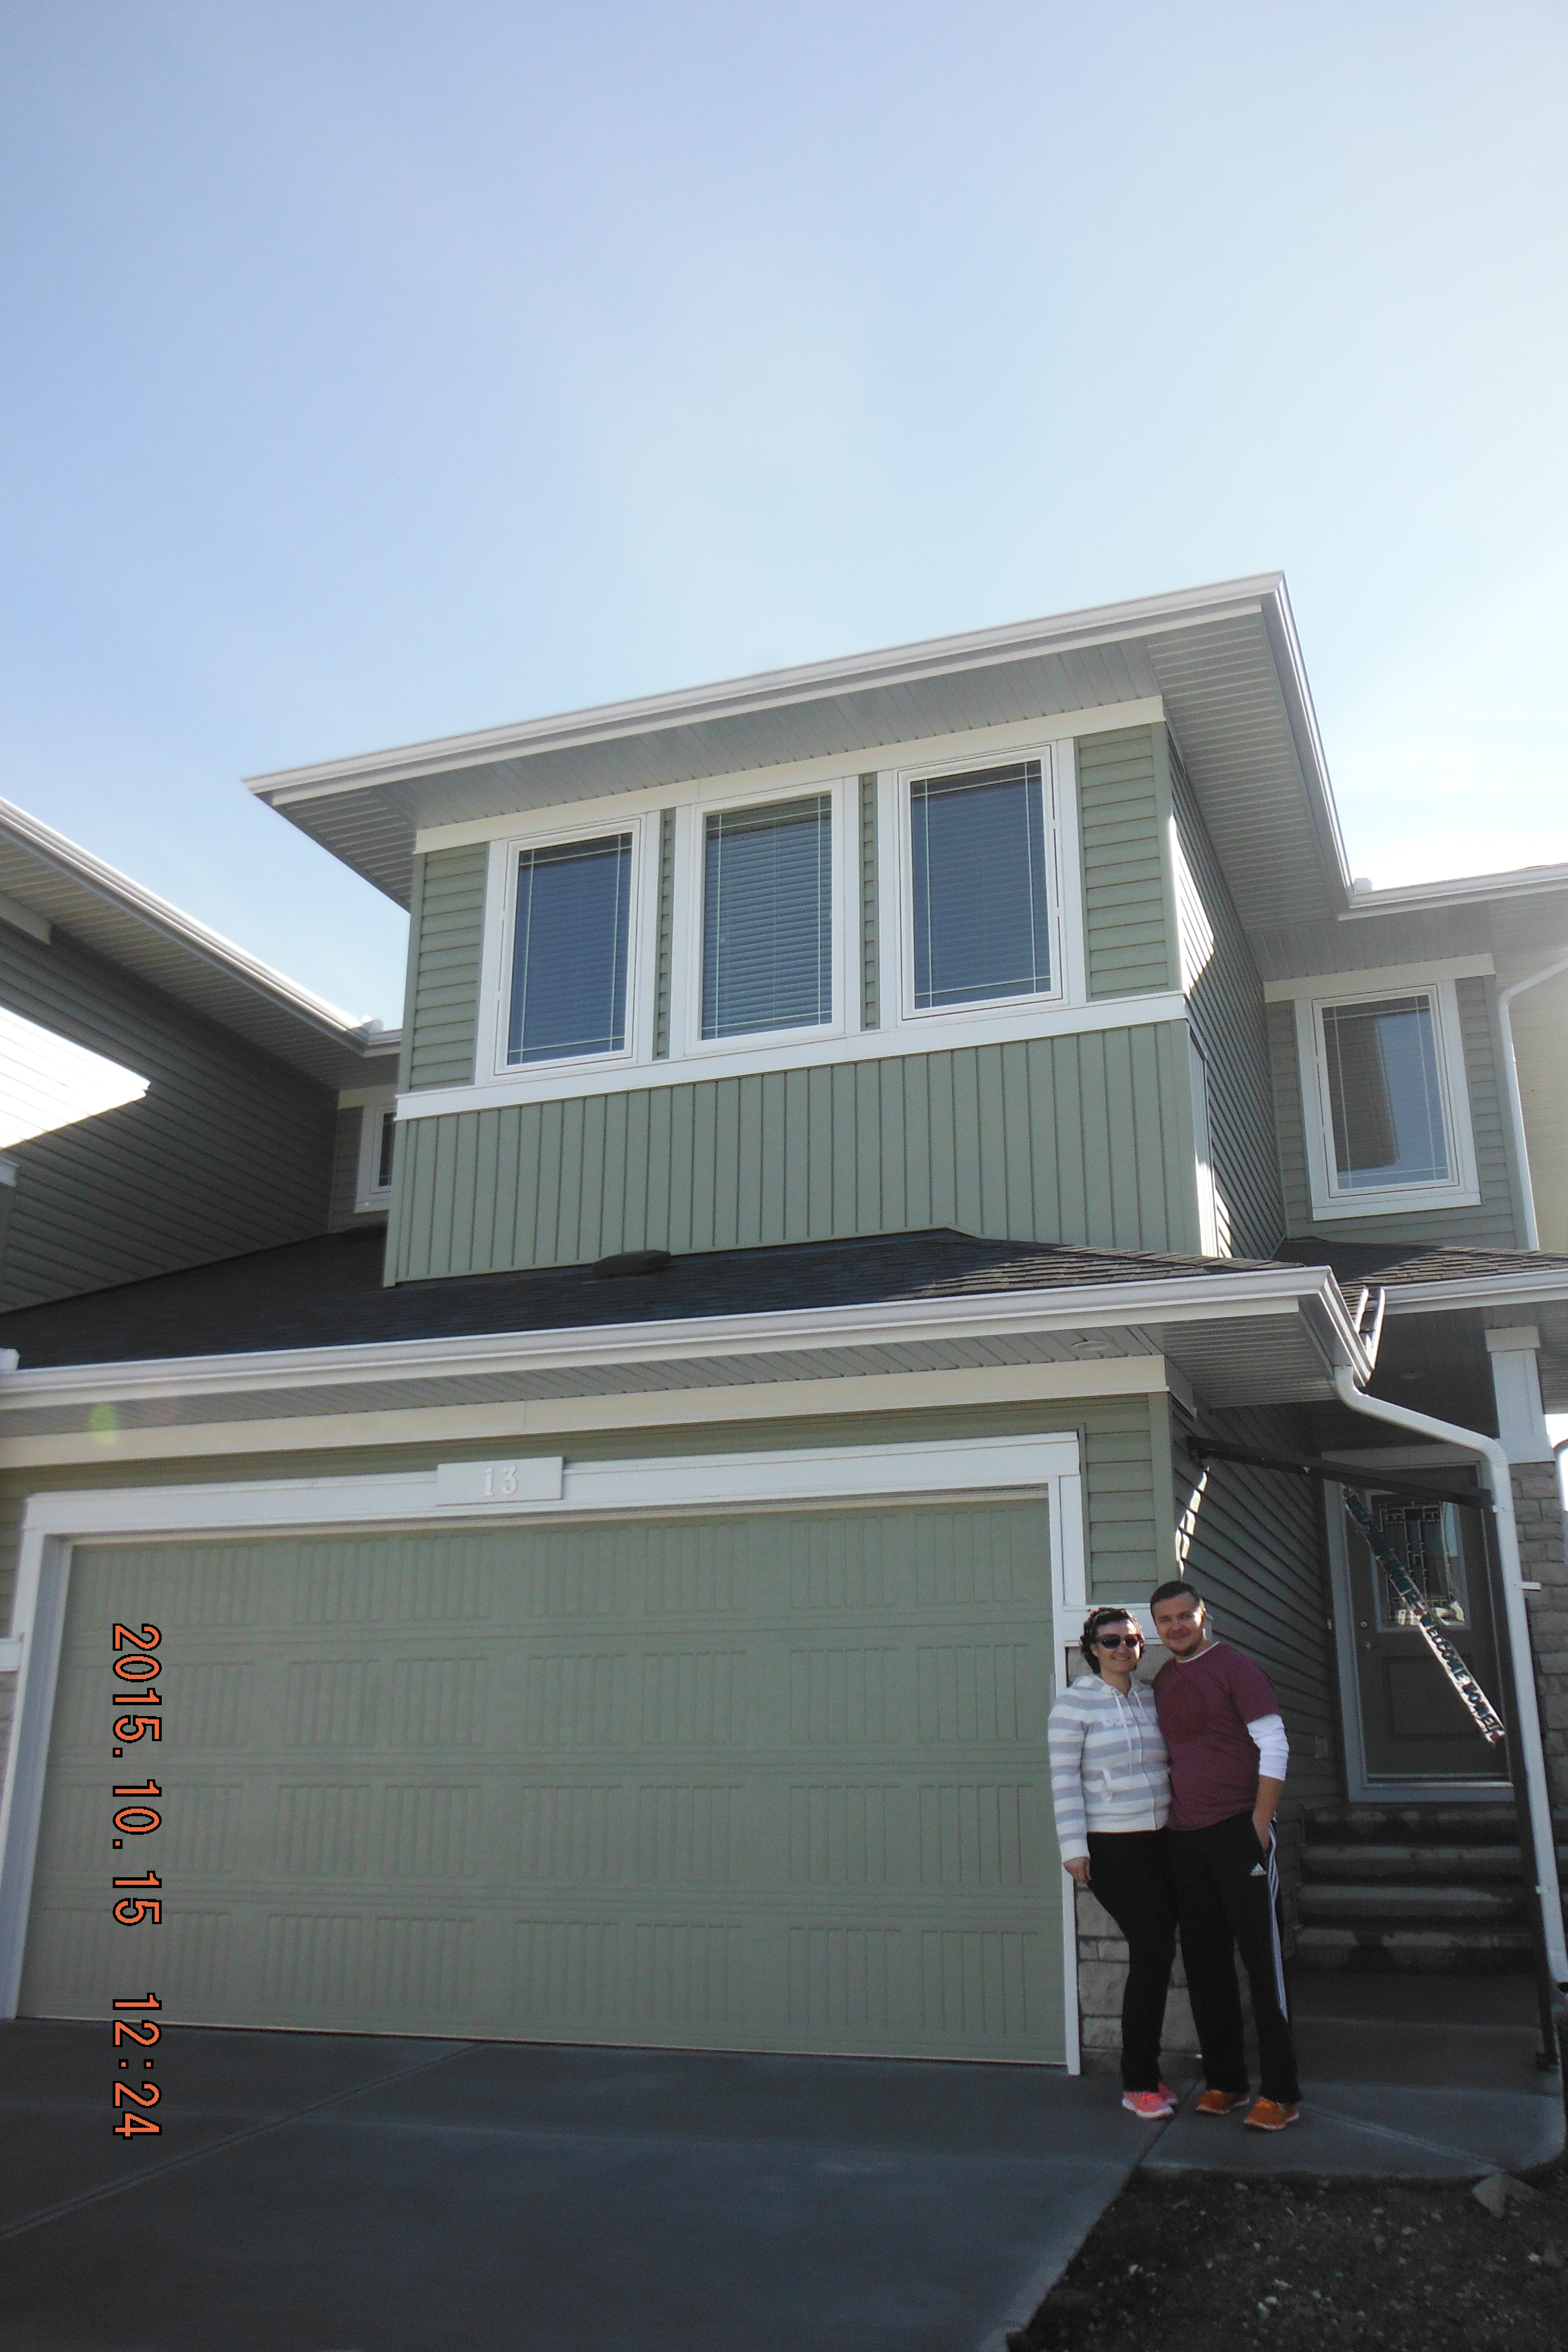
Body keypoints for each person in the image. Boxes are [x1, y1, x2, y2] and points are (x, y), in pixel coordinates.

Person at [1148, 1577, 1301, 2131]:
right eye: (1165, 1620)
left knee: (1262, 1963)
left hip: (1240, 1830)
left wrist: (1258, 1826)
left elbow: (1275, 1745)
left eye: (1183, 1616)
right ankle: (1226, 2081)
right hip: (1185, 1839)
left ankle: (1280, 2094)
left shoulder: (1237, 1668)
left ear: (1203, 1614)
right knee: (1205, 1962)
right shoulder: (1163, 1680)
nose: (1176, 1626)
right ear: (1156, 1627)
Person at [1048, 1606, 1178, 2118]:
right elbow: (1064, 1780)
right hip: (1111, 1844)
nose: (1122, 1649)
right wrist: (1073, 1848)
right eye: (1110, 1641)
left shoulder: (1149, 1698)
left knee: (1158, 1952)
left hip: (1162, 1838)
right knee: (1152, 1945)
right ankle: (1137, 2082)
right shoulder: (1074, 1704)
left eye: (1130, 1640)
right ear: (1092, 1648)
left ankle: (1148, 2072)